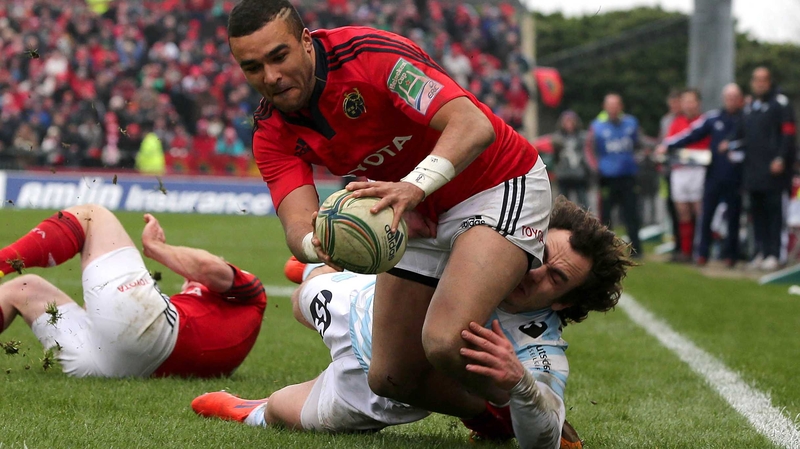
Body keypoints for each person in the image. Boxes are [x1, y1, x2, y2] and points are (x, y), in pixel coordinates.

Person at [227, 0, 552, 427]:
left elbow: (473, 125)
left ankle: (548, 417)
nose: (270, 77)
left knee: (445, 341)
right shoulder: (270, 130)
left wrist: (413, 187)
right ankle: (496, 421)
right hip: (408, 211)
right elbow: (298, 226)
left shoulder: (370, 56)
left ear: (306, 42)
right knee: (391, 377)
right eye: (252, 68)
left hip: (496, 184)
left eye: (278, 56)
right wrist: (321, 241)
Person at [193, 197, 634, 449]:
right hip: (366, 301)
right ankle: (319, 271)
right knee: (303, 302)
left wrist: (518, 383)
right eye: (540, 255)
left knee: (284, 411)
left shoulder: (540, 351)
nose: (535, 272)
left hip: (371, 388)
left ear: (564, 302)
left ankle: (247, 408)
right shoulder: (489, 251)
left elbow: (548, 436)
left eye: (555, 278)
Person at [0, 205, 267, 378]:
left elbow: (210, 268)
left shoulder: (251, 293)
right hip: (111, 365)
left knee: (93, 216)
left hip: (150, 333)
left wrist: (156, 248)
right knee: (24, 289)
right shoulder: (221, 323)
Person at [657, 84, 745, 267]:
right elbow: (689, 136)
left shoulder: (746, 118)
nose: (731, 101)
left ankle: (730, 255)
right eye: (728, 97)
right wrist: (667, 145)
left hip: (734, 176)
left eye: (734, 97)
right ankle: (699, 253)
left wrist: (732, 147)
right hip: (712, 175)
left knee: (731, 217)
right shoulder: (712, 119)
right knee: (702, 214)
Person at [732, 67, 797, 271]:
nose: (760, 84)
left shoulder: (781, 104)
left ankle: (775, 254)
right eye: (756, 80)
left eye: (763, 80)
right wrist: (730, 145)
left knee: (775, 213)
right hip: (753, 171)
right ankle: (760, 251)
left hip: (774, 172)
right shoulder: (750, 107)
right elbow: (743, 136)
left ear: (769, 82)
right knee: (756, 213)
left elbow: (788, 134)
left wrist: (780, 158)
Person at [585, 93, 644, 257]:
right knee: (606, 215)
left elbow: (639, 145)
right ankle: (606, 249)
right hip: (607, 178)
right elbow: (589, 149)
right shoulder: (597, 126)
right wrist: (596, 168)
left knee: (631, 213)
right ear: (605, 107)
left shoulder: (631, 123)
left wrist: (637, 161)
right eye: (610, 105)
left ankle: (636, 249)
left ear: (621, 106)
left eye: (616, 104)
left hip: (628, 176)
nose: (613, 108)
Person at [661, 88, 710, 262]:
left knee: (699, 209)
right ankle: (685, 250)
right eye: (686, 101)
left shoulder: (704, 122)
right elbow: (669, 144)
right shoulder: (676, 122)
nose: (689, 105)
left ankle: (701, 250)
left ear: (698, 103)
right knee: (682, 210)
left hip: (698, 170)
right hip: (679, 170)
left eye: (692, 101)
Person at [658, 89, 683, 260]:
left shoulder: (685, 120)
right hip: (668, 170)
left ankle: (685, 246)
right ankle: (676, 244)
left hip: (683, 168)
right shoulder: (666, 120)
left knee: (683, 210)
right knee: (671, 208)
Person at [551, 110, 591, 208]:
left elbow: (588, 155)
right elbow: (554, 157)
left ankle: (585, 222)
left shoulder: (582, 137)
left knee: (583, 202)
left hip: (579, 174)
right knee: (562, 204)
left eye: (571, 121)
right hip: (563, 174)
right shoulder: (557, 138)